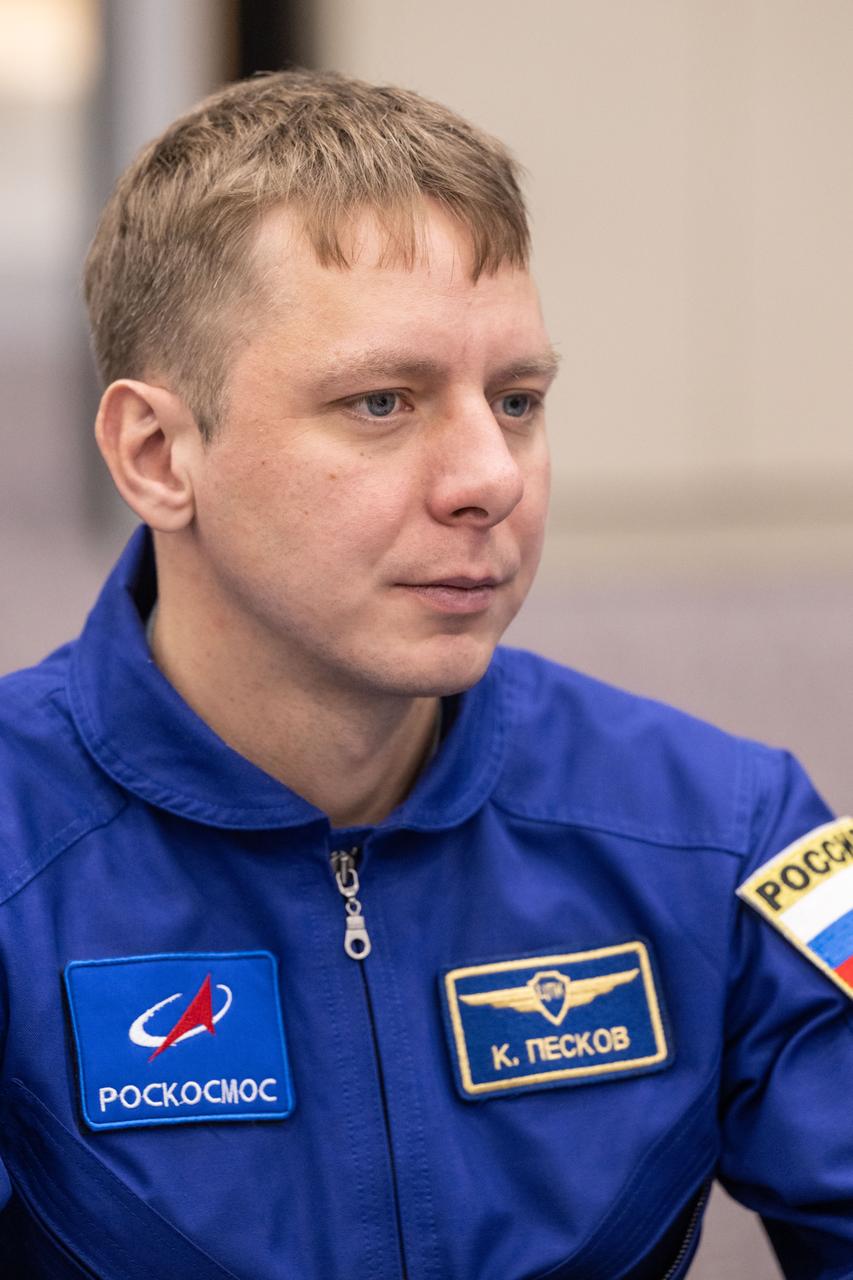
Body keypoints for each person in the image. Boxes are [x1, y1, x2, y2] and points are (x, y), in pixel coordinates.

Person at [0, 67, 850, 1280]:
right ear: (157, 453)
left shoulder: (725, 833)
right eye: (381, 402)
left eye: (516, 400)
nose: (488, 477)